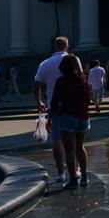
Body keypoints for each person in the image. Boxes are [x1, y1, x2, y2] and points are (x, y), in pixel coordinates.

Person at [48, 54, 92, 190]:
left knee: (69, 150)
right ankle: (84, 176)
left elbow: (55, 101)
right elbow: (88, 98)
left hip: (67, 116)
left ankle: (73, 179)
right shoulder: (82, 80)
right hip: (83, 116)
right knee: (80, 147)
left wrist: (50, 118)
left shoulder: (61, 81)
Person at [34, 36, 74, 181]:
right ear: (66, 46)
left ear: (54, 47)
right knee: (72, 139)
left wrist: (39, 102)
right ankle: (74, 171)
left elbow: (36, 86)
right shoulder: (72, 60)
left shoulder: (44, 64)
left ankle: (61, 173)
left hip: (54, 106)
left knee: (57, 140)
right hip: (72, 105)